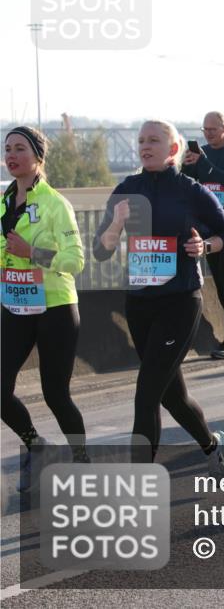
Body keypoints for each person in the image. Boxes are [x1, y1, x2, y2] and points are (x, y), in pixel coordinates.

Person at [93, 120, 224, 475]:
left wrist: (205, 245)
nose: (146, 145)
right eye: (141, 140)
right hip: (140, 304)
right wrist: (116, 225)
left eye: (154, 140)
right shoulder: (127, 188)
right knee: (172, 396)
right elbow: (100, 251)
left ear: (173, 149)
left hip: (180, 301)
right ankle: (213, 447)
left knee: (146, 394)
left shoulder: (190, 190)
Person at [3, 126, 88, 490]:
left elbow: (76, 260)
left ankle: (82, 462)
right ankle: (38, 447)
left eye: (20, 148)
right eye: (7, 149)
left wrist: (32, 252)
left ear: (38, 156)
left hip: (55, 306)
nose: (11, 155)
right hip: (14, 305)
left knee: (55, 394)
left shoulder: (55, 203)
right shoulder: (3, 203)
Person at [182, 111, 224, 359]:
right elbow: (189, 184)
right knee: (220, 280)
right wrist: (188, 165)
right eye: (204, 130)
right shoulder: (200, 154)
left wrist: (205, 164)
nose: (208, 134)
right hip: (208, 224)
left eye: (212, 129)